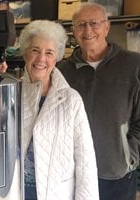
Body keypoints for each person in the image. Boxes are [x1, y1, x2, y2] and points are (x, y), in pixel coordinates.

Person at [57, 2, 140, 200]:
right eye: (80, 24)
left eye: (94, 23)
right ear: (73, 30)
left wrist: (128, 157)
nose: (87, 30)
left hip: (116, 175)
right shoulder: (62, 71)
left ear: (107, 27)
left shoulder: (134, 65)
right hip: (72, 174)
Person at [19, 20, 99, 200]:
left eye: (49, 52)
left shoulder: (71, 100)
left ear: (56, 58)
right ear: (25, 53)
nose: (41, 59)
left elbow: (85, 160)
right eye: (35, 50)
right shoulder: (9, 94)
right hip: (16, 193)